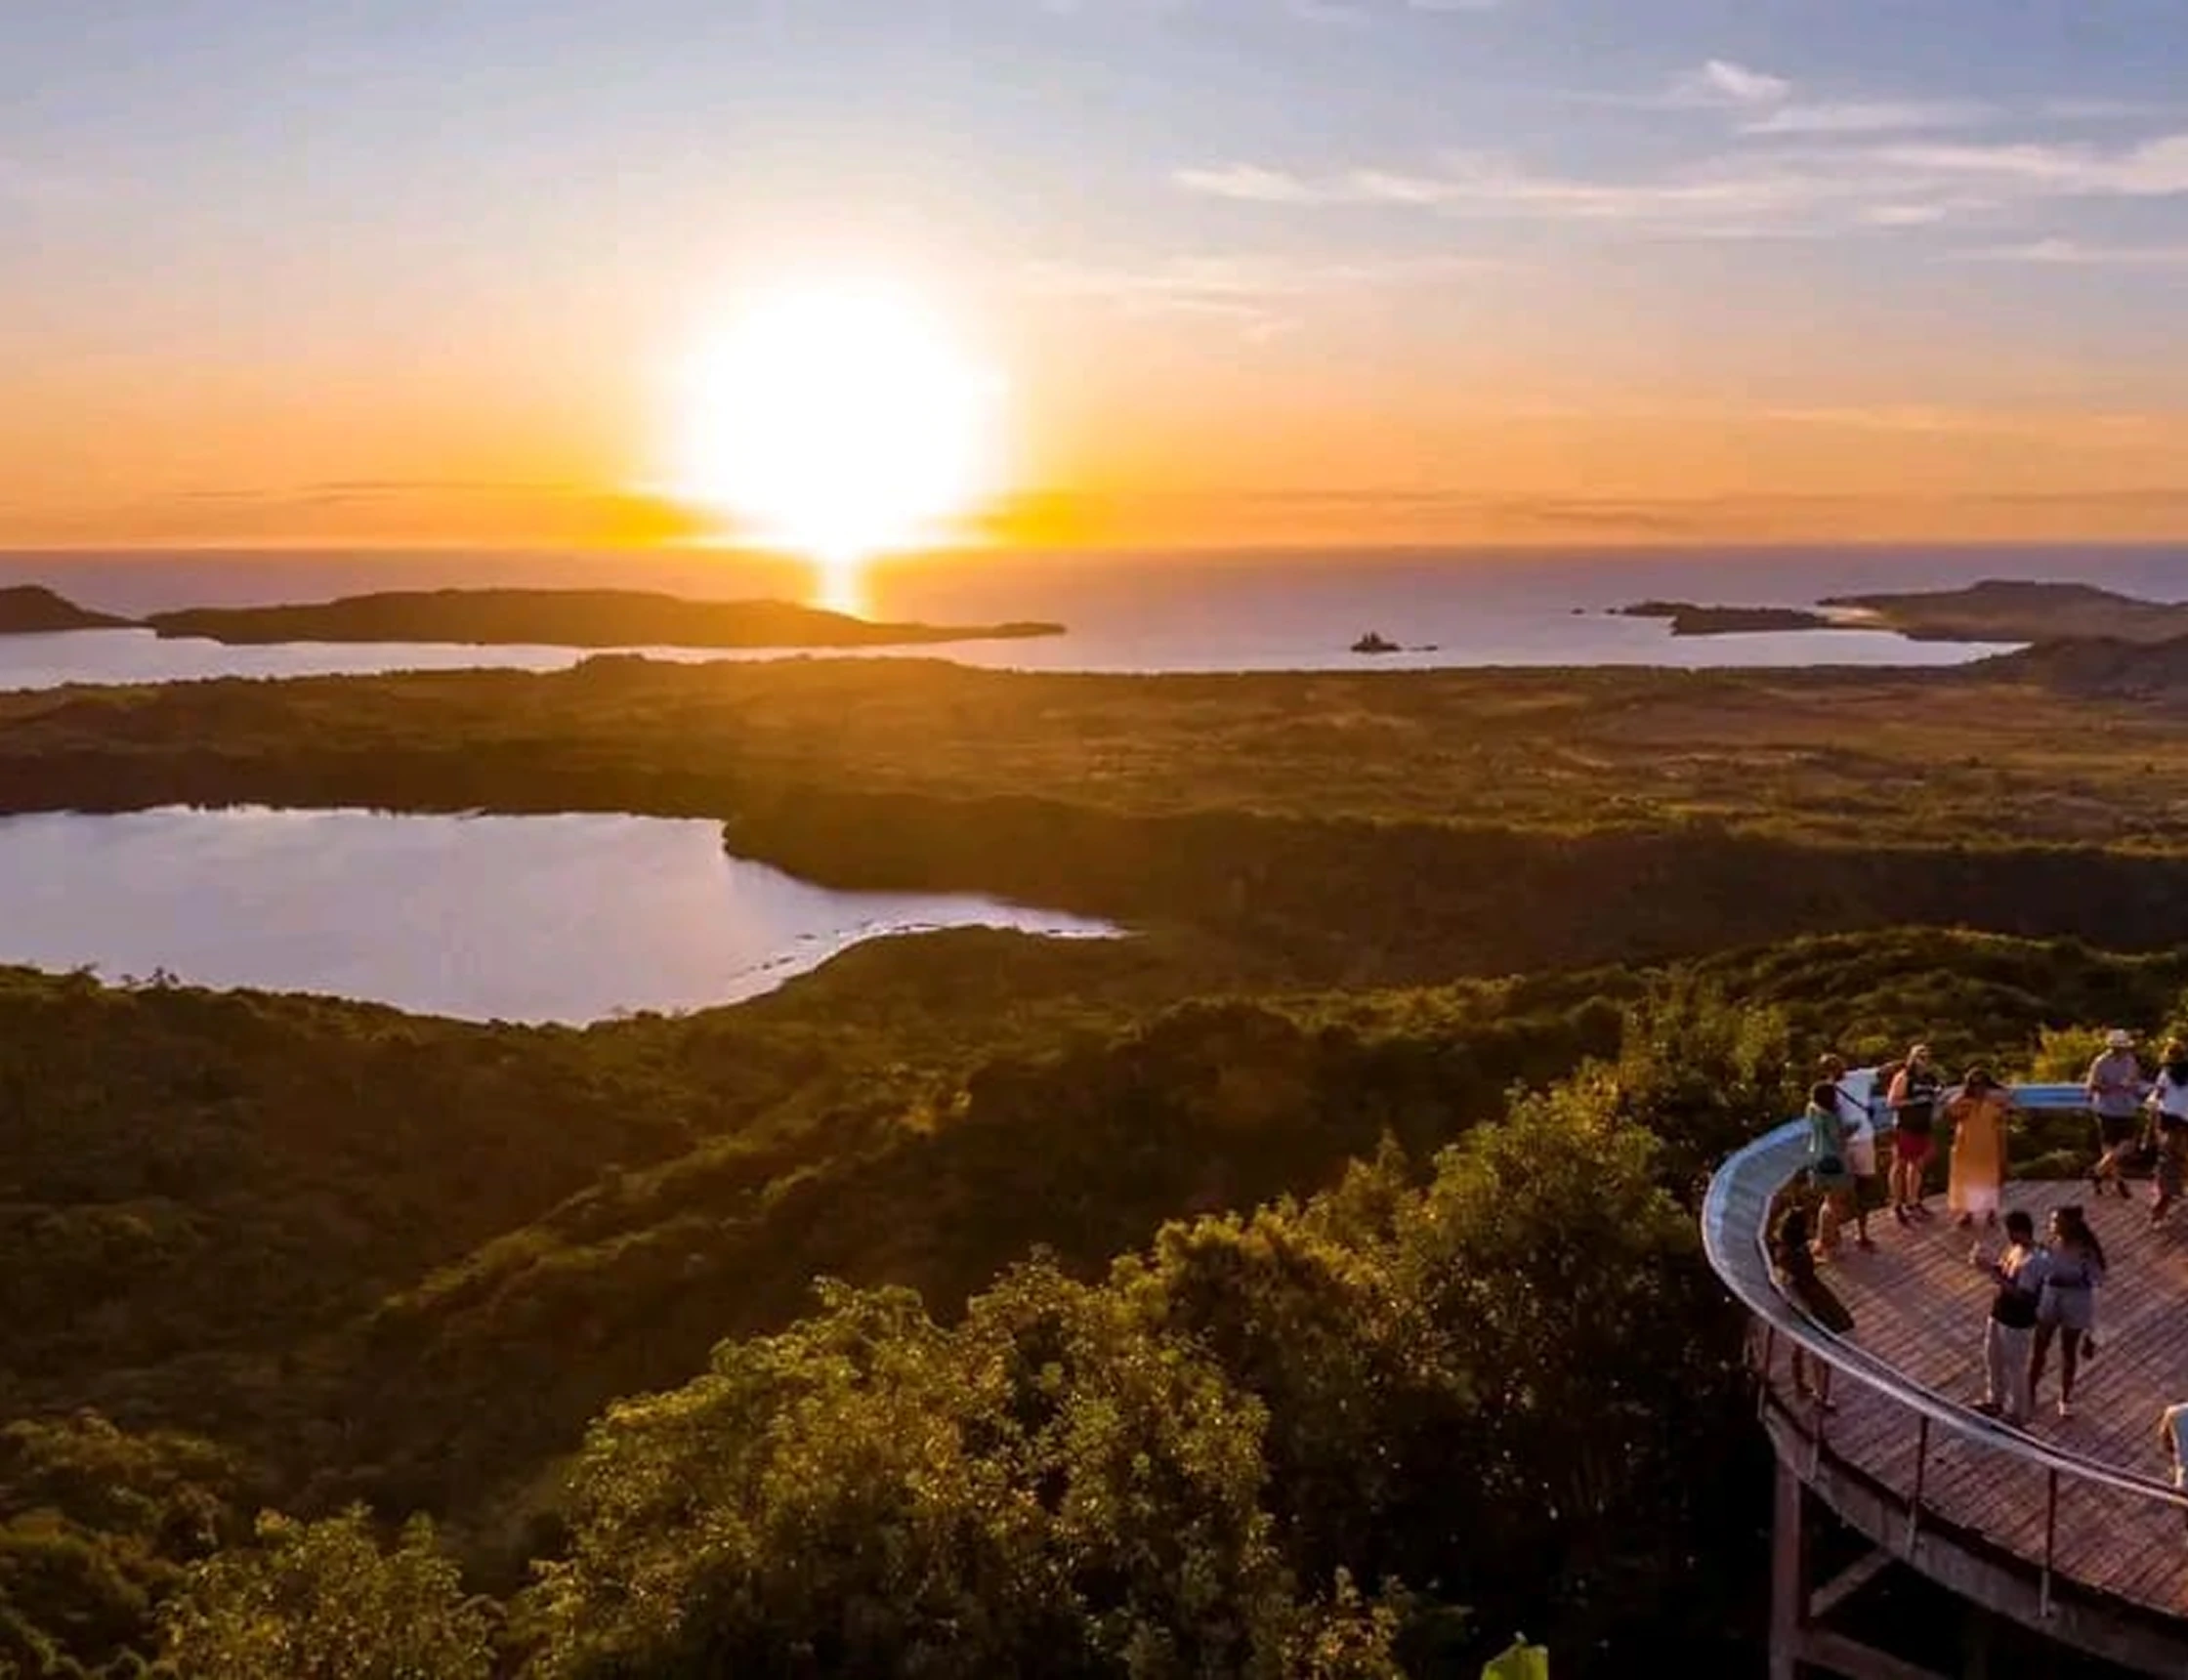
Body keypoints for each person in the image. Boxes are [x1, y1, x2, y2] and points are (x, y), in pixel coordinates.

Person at [1772, 1204, 1854, 1407]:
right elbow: (1787, 1283)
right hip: (1806, 1301)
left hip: (1811, 1295)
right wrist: (1803, 1308)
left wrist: (1817, 1260)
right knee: (1816, 1346)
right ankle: (1818, 1392)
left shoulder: (1793, 1248)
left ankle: (1806, 1386)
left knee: (1805, 1345)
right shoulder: (1788, 1255)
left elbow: (1800, 1270)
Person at [2031, 1205, 2107, 1419]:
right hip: (2051, 1297)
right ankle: (2029, 1390)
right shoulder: (2052, 1243)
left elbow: (2098, 1277)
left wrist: (2080, 1276)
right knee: (2039, 1347)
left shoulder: (2085, 1250)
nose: (2052, 1225)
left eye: (2056, 1221)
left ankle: (2065, 1398)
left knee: (2068, 1350)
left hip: (2075, 1299)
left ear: (2069, 1224)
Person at [1973, 1210, 2047, 1424]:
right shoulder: (2015, 1249)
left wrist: (1992, 1274)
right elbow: (2005, 1271)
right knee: (1993, 1358)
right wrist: (1989, 1265)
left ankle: (2018, 1412)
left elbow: (2023, 1295)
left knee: (2015, 1367)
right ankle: (1995, 1400)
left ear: (2021, 1231)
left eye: (2011, 1232)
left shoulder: (2034, 1260)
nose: (2008, 1237)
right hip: (1999, 1312)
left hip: (2017, 1321)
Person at [1821, 1054, 1878, 1250]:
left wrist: (1909, 1061)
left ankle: (1862, 1233)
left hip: (1863, 1141)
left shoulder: (1859, 1076)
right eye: (1831, 1066)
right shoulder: (1825, 1091)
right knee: (1837, 1194)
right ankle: (1832, 1237)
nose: (1837, 1068)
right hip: (1841, 1147)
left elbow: (1884, 1070)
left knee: (1865, 1188)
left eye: (1837, 1064)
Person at [1947, 1066, 2010, 1230]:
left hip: (1988, 1144)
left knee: (1989, 1178)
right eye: (1974, 1084)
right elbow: (1951, 1107)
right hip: (1967, 1144)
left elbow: (2006, 1107)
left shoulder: (1994, 1102)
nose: (1978, 1088)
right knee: (1967, 1177)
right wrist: (1965, 1095)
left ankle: (1990, 1211)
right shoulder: (1964, 1102)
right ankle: (1967, 1212)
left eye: (1982, 1084)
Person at [1886, 1043, 1943, 1223]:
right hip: (1905, 1126)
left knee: (1918, 1164)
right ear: (1912, 1058)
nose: (1923, 1060)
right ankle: (1896, 1204)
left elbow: (1936, 1097)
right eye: (1920, 1056)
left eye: (1926, 1057)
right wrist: (1915, 1101)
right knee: (1900, 1164)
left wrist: (1935, 1100)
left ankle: (1913, 1201)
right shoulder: (1904, 1076)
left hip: (1923, 1126)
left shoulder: (1930, 1078)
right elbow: (1892, 1102)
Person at [2087, 1029, 2147, 1197]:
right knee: (2109, 1146)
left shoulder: (2130, 1060)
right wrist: (2109, 1087)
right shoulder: (2100, 1062)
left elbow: (2135, 1079)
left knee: (2128, 1144)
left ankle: (2098, 1171)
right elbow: (2092, 1085)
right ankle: (2118, 1181)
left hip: (2126, 1107)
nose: (2121, 1050)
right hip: (2107, 1108)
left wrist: (2131, 1083)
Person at [1804, 1079, 1855, 1255]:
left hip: (1817, 1159)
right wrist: (1851, 1129)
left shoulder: (1812, 1110)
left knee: (1827, 1201)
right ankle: (1829, 1242)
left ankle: (1823, 1239)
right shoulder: (1830, 1116)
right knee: (1835, 1203)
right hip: (1833, 1161)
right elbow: (1838, 1140)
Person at [2148, 1039, 2188, 1226]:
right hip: (2185, 1120)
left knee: (2168, 1160)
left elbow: (2158, 1096)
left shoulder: (2165, 1073)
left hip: (2169, 1119)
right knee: (2180, 1157)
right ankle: (2176, 1190)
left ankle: (2163, 1203)